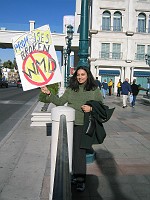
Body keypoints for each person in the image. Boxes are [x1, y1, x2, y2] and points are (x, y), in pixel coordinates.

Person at [40, 66, 103, 192]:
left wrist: (91, 109)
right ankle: (75, 175)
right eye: (78, 75)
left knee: (79, 153)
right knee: (71, 152)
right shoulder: (70, 89)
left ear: (87, 75)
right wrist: (48, 93)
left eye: (83, 74)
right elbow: (60, 102)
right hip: (69, 124)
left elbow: (101, 106)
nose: (80, 77)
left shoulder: (94, 89)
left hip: (83, 125)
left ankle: (80, 180)